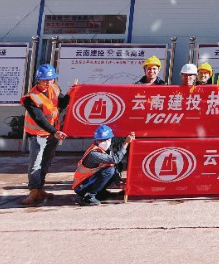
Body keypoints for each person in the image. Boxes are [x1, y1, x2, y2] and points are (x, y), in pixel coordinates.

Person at [19, 64, 72, 205]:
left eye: (51, 79)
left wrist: (71, 93)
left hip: (53, 134)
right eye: (44, 79)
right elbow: (39, 118)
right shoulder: (31, 98)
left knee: (46, 162)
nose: (48, 82)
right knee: (35, 164)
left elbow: (62, 103)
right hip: (38, 135)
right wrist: (54, 132)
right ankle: (33, 190)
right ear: (38, 79)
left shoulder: (54, 88)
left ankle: (40, 188)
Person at [72, 125, 135, 206]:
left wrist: (119, 182)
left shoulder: (106, 149)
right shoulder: (94, 153)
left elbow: (115, 163)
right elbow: (115, 159)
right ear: (96, 140)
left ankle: (100, 192)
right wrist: (126, 143)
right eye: (101, 140)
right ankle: (88, 197)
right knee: (109, 170)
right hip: (81, 187)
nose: (104, 142)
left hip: (88, 181)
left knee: (117, 166)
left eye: (106, 140)